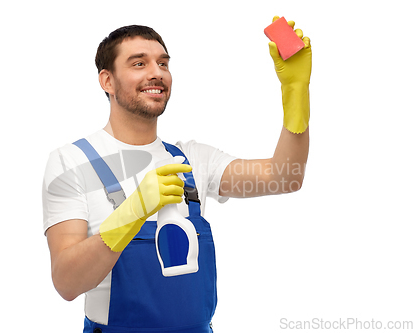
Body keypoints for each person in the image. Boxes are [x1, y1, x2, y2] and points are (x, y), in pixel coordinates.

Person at [42, 18, 311, 333]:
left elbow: (283, 178)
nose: (156, 72)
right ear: (108, 81)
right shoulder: (72, 161)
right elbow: (66, 282)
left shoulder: (192, 159)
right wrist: (132, 212)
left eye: (163, 63)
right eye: (138, 63)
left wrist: (296, 93)